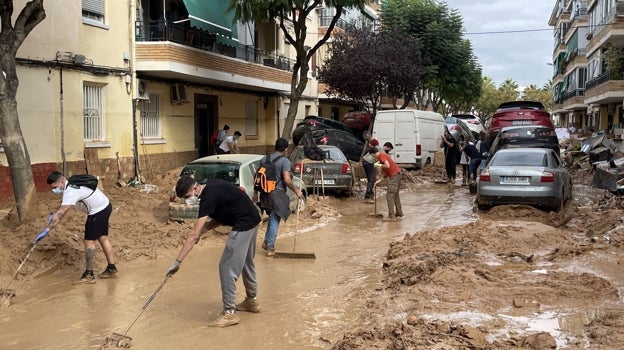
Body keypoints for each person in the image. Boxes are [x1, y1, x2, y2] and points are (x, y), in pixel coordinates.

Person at [166, 176, 262, 328]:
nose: (187, 200)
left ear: (195, 188)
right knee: (245, 262)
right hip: (253, 219)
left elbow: (193, 235)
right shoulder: (211, 186)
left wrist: (177, 262)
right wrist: (203, 230)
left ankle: (229, 313)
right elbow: (220, 216)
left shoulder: (207, 197)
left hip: (243, 224)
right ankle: (251, 301)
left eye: (186, 197)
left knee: (226, 267)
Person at [42, 171, 117, 283]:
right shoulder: (72, 182)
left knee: (89, 241)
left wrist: (47, 229)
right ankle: (111, 268)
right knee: (102, 237)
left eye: (55, 187)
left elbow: (63, 211)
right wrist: (55, 214)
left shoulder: (70, 191)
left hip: (97, 211)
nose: (54, 190)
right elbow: (64, 205)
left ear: (62, 181)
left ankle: (89, 275)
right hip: (105, 205)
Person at [255, 138, 304, 256]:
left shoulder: (264, 159)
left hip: (264, 194)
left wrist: (255, 194)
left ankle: (267, 242)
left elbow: (257, 177)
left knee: (272, 217)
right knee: (275, 219)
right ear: (286, 149)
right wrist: (296, 190)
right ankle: (270, 247)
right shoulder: (284, 161)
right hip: (277, 194)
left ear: (275, 147)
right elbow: (287, 180)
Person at [369, 146, 403, 221]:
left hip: (395, 176)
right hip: (397, 174)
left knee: (389, 195)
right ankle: (399, 212)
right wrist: (379, 181)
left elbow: (387, 165)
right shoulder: (381, 158)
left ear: (372, 154)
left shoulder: (381, 155)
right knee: (395, 195)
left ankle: (391, 216)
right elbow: (386, 173)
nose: (373, 159)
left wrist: (379, 165)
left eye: (372, 156)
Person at [361, 131, 379, 202]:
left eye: (368, 136)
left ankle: (370, 194)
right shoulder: (371, 144)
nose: (367, 137)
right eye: (366, 136)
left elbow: (374, 150)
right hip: (368, 161)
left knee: (370, 179)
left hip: (366, 161)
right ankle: (367, 197)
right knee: (371, 179)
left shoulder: (374, 141)